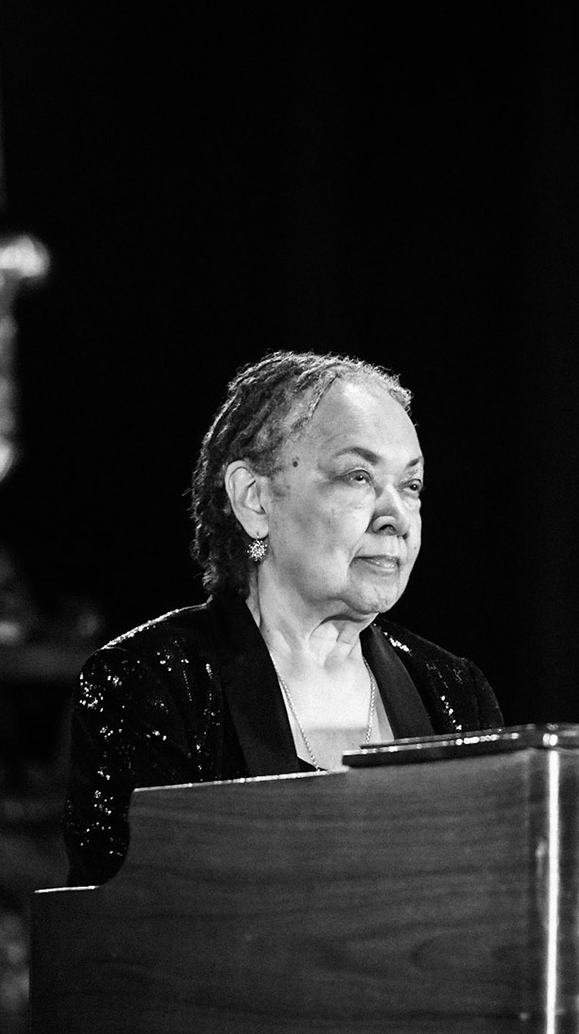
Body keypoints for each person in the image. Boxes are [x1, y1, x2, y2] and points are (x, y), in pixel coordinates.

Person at [63, 352, 502, 884]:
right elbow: (132, 918)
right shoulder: (153, 683)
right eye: (358, 476)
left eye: (411, 486)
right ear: (254, 499)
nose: (396, 518)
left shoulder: (453, 692)